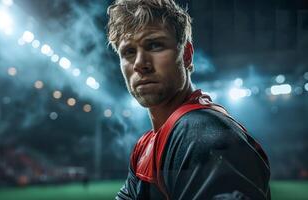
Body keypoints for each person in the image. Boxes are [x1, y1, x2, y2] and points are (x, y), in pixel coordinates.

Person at [107, 0, 271, 199]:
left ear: (186, 55)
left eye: (155, 45)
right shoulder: (146, 145)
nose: (140, 63)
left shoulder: (199, 132)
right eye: (129, 52)